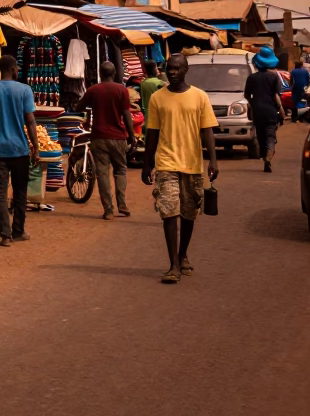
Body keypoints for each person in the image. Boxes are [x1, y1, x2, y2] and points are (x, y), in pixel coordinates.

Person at [142, 53, 219, 284]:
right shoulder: (157, 98)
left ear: (186, 70)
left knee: (188, 213)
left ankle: (183, 253)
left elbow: (207, 130)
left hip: (192, 164)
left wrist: (213, 160)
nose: (173, 72)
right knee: (169, 212)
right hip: (166, 163)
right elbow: (152, 132)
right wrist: (147, 163)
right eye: (169, 68)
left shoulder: (199, 96)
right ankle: (173, 265)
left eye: (177, 68)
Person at [0, 55, 38, 247]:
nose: (18, 70)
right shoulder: (25, 90)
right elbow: (30, 120)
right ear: (12, 69)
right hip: (19, 149)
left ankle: (5, 234)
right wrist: (36, 147)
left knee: (0, 192)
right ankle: (18, 230)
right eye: (17, 67)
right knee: (20, 191)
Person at [76, 62, 137, 220]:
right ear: (114, 73)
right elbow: (126, 114)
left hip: (99, 137)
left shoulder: (93, 90)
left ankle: (108, 210)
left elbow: (78, 107)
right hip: (118, 137)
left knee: (102, 173)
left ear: (100, 73)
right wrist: (132, 136)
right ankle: (122, 204)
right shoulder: (122, 90)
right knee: (120, 170)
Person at [244, 45, 284, 173]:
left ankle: (264, 158)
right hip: (270, 111)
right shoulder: (273, 77)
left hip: (257, 112)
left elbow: (247, 95)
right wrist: (281, 110)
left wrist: (252, 104)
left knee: (261, 136)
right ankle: (268, 158)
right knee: (270, 136)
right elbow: (276, 96)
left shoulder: (251, 78)